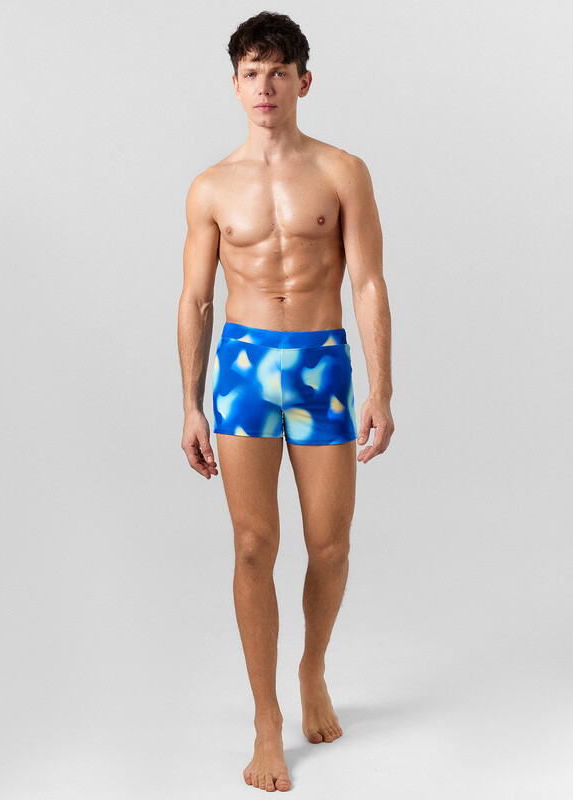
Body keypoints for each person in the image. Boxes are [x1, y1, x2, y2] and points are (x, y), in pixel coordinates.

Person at [178, 10, 394, 792]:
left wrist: (381, 387)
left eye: (277, 72)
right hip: (243, 371)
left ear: (304, 81)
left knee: (330, 546)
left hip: (321, 367)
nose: (264, 87)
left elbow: (368, 282)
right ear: (234, 85)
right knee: (252, 546)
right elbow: (196, 299)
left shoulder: (342, 171)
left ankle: (312, 669)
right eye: (250, 73)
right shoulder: (211, 186)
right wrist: (191, 404)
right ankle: (266, 719)